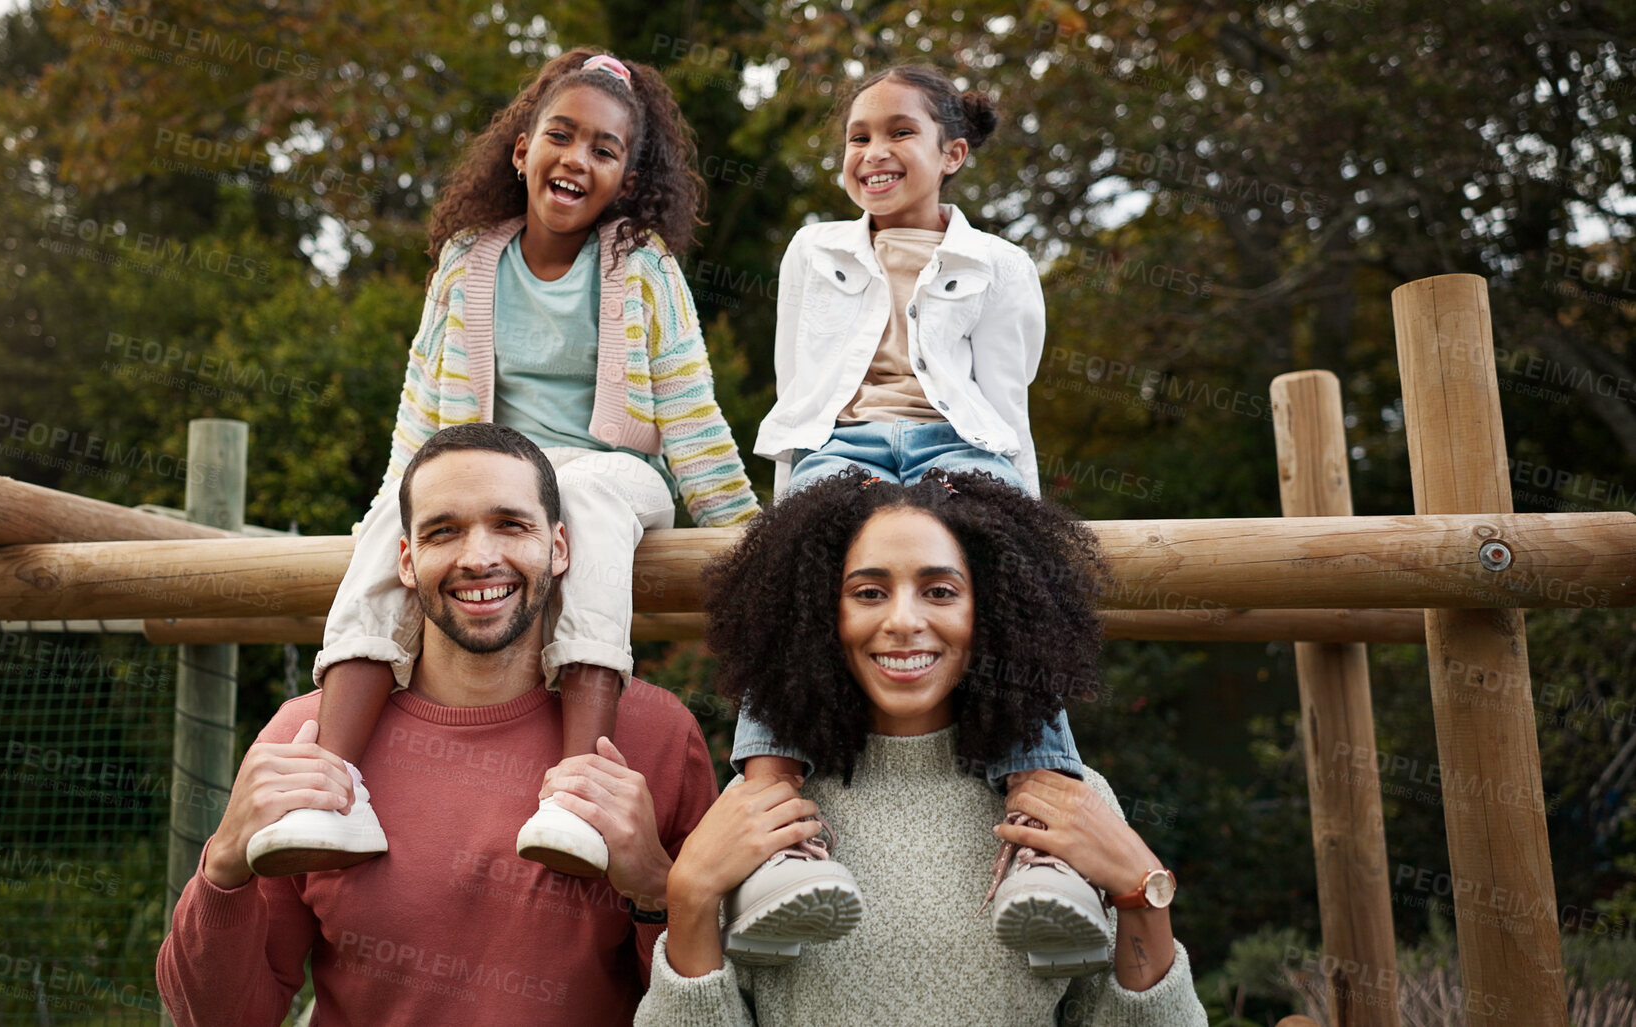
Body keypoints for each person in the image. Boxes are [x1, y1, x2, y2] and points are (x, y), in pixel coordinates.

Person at [245, 48, 758, 881]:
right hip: (489, 471)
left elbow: (693, 413)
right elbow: (421, 400)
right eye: (562, 135)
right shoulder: (467, 261)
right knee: (396, 522)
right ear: (521, 150)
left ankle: (578, 789)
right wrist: (393, 503)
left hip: (607, 471)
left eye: (605, 149)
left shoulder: (643, 268)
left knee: (582, 501)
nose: (578, 158)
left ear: (626, 179)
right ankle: (327, 786)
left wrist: (742, 533)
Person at [158, 425, 719, 1025]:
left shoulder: (656, 736)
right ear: (405, 559)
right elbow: (217, 1018)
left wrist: (659, 891)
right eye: (443, 531)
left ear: (560, 549)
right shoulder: (305, 741)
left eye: (510, 524)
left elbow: (712, 1012)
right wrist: (223, 867)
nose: (479, 559)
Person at [725, 64, 1093, 972]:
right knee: (794, 576)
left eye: (898, 133)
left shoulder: (998, 265)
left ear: (951, 153)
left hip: (951, 444)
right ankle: (774, 830)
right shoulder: (813, 251)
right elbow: (797, 382)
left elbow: (1007, 403)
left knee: (1002, 566)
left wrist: (1028, 520)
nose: (872, 152)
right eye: (856, 136)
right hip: (840, 446)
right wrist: (784, 524)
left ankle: (1042, 839)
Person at [635, 470, 1207, 1025]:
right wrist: (688, 895)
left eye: (939, 591)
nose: (903, 621)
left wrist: (1142, 889)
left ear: (994, 610)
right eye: (868, 592)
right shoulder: (756, 812)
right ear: (815, 613)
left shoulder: (1069, 803)